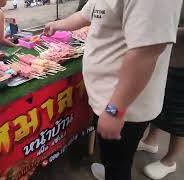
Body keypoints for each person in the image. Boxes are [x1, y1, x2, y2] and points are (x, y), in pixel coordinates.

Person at [44, 0, 182, 180]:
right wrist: (56, 25)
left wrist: (114, 111)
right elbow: (86, 15)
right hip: (106, 101)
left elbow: (147, 51)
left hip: (124, 107)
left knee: (118, 165)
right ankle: (110, 169)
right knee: (113, 156)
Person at [137, 6, 184, 180]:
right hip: (166, 59)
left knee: (179, 115)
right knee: (159, 101)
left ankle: (170, 161)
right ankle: (151, 141)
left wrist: (164, 31)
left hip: (181, 63)